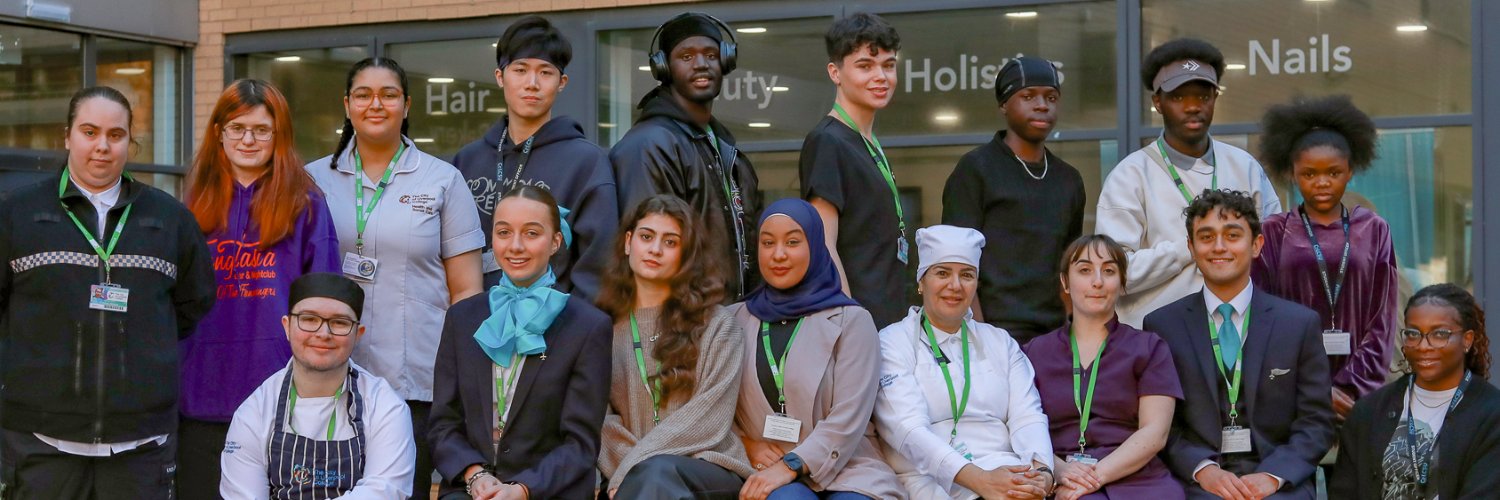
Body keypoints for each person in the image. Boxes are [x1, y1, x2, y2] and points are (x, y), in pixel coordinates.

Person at [0, 86, 216, 499]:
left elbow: (193, 305)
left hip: (140, 446)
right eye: (90, 132)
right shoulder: (17, 214)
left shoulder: (170, 219)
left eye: (115, 135)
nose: (102, 146)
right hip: (40, 441)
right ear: (67, 137)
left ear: (130, 142)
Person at [305, 57, 486, 498]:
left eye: (388, 95)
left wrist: (462, 377)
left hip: (417, 380)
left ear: (406, 105)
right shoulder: (312, 179)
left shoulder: (443, 180)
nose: (376, 104)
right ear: (347, 105)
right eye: (363, 95)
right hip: (329, 373)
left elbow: (467, 291)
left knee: (405, 490)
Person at [177, 78, 342, 498]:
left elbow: (326, 305)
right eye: (237, 128)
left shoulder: (307, 204)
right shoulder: (191, 204)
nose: (248, 140)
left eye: (261, 130)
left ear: (278, 134)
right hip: (199, 396)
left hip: (278, 399)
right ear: (219, 132)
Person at [1145, 189, 1333, 499]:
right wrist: (1203, 470)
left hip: (1278, 484)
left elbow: (1317, 423)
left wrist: (1273, 476)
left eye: (1232, 235)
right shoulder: (1163, 326)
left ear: (1256, 244)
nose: (1219, 246)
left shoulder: (1299, 324)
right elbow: (1163, 425)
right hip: (1196, 485)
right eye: (1206, 237)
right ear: (1191, 247)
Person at [428, 186, 612, 499]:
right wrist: (475, 475)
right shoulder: (462, 317)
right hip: (471, 489)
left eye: (531, 233)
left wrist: (523, 490)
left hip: (548, 491)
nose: (515, 246)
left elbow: (581, 443)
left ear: (556, 242)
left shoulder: (588, 327)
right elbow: (443, 423)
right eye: (504, 232)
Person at [1097, 38, 1281, 328]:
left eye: (1203, 97)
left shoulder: (1244, 166)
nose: (1193, 106)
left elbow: (1273, 251)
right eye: (1179, 97)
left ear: (1215, 98)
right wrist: (1190, 247)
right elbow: (1112, 272)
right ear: (1158, 102)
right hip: (1156, 339)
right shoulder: (1130, 175)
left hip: (1238, 329)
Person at [729, 198, 904, 500]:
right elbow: (713, 408)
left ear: (814, 245)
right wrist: (745, 444)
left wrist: (793, 464)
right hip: (764, 470)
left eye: (792, 242)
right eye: (768, 243)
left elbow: (849, 415)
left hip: (849, 469)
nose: (778, 254)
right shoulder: (733, 321)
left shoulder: (852, 321)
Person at [875, 225, 1055, 500]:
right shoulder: (893, 342)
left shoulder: (1000, 342)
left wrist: (1042, 473)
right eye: (942, 273)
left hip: (1005, 472)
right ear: (921, 281)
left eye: (967, 275)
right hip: (929, 480)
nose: (955, 285)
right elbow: (908, 430)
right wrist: (981, 481)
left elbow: (1027, 416)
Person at [595, 194, 753, 498]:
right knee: (651, 477)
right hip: (635, 478)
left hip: (709, 469)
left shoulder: (718, 325)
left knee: (656, 473)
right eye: (646, 237)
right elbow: (599, 421)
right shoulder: (603, 329)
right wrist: (631, 470)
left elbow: (709, 417)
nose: (655, 249)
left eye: (670, 242)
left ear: (686, 254)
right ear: (628, 242)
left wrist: (632, 467)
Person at [452, 15, 618, 299]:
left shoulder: (585, 163)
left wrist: (572, 323)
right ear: (500, 76)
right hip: (475, 319)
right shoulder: (466, 161)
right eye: (520, 70)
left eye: (545, 72)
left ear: (561, 82)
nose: (532, 83)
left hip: (557, 321)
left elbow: (599, 266)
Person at [1252, 95, 1396, 422]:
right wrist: (1313, 388)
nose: (1321, 183)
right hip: (1291, 393)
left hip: (1358, 397)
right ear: (1293, 173)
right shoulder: (1273, 231)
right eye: (1309, 173)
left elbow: (1383, 321)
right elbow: (1262, 316)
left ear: (1350, 171)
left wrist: (1351, 388)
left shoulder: (1374, 229)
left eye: (1333, 172)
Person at [220, 273, 416, 499]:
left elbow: (385, 492)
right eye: (309, 319)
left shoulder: (386, 407)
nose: (323, 333)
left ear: (358, 334)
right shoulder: (254, 411)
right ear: (287, 326)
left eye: (340, 323)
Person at [610, 12, 760, 300]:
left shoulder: (722, 146)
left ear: (726, 61)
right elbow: (649, 261)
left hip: (731, 315)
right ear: (664, 67)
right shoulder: (649, 145)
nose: (701, 64)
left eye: (711, 55)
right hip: (684, 319)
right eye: (686, 56)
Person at [1022, 234, 1183, 500]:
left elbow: (1155, 432)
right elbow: (1020, 429)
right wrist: (1058, 471)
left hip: (1138, 479)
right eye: (1085, 270)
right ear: (1065, 282)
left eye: (1109, 271)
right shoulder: (1034, 352)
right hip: (1060, 475)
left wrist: (1093, 478)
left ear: (1122, 282)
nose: (1097, 281)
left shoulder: (1149, 348)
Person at [942, 56, 1085, 344]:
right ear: (1004, 104)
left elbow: (1069, 266)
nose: (1042, 105)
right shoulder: (976, 169)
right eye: (1028, 96)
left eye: (1051, 97)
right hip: (992, 333)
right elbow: (957, 259)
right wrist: (979, 337)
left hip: (1054, 336)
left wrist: (1072, 330)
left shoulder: (1069, 179)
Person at [1331, 284, 1500, 499]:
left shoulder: (1492, 414)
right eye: (1413, 334)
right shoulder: (1369, 411)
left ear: (1467, 340)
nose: (1423, 346)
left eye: (1439, 334)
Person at [800, 12, 909, 328]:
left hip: (890, 322)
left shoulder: (869, 141)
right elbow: (824, 246)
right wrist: (850, 327)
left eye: (888, 65)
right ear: (835, 72)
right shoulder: (827, 141)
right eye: (865, 66)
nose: (881, 76)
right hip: (859, 325)